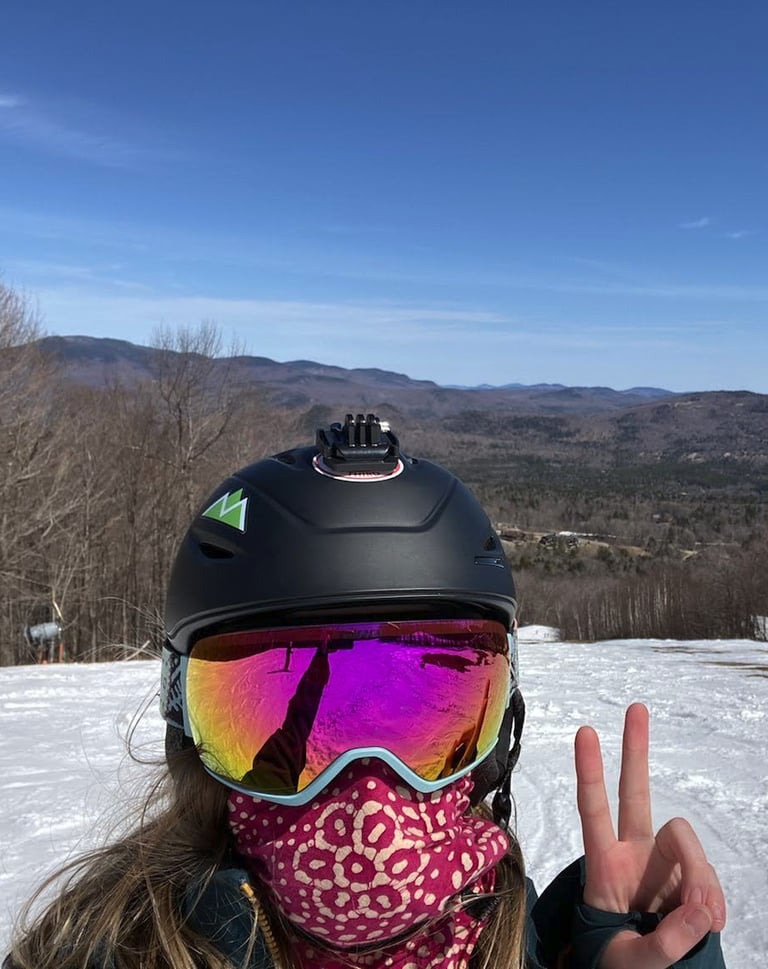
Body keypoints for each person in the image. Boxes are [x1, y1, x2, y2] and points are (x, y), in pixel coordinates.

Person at [6, 414, 726, 969]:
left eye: (421, 713)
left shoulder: (544, 949)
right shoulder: (102, 946)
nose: (367, 797)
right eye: (263, 725)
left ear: (498, 738)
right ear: (188, 733)